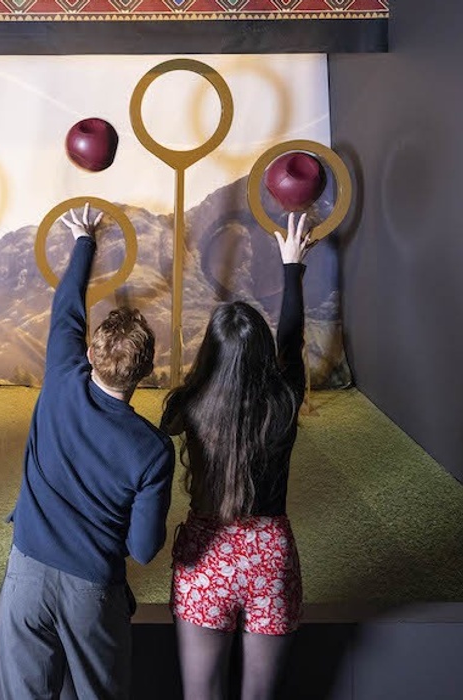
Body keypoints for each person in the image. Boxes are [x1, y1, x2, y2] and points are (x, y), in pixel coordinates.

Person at [0, 205, 176, 700]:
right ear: (146, 370)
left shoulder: (61, 378)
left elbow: (68, 308)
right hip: (93, 591)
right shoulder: (153, 451)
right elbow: (142, 549)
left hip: (25, 577)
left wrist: (84, 241)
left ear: (91, 355)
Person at [161, 213, 313, 700]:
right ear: (264, 356)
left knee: (200, 695)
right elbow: (291, 342)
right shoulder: (284, 402)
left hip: (206, 557)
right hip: (271, 556)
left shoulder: (186, 405)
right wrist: (293, 268)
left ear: (210, 354)